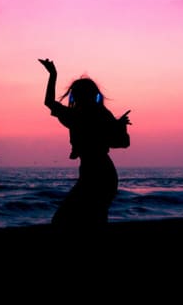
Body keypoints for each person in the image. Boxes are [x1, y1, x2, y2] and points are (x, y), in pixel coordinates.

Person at [38, 58, 131, 231]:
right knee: (93, 218)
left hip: (97, 173)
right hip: (102, 173)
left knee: (65, 220)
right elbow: (123, 142)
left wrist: (53, 75)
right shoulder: (98, 114)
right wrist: (120, 126)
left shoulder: (79, 116)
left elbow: (49, 102)